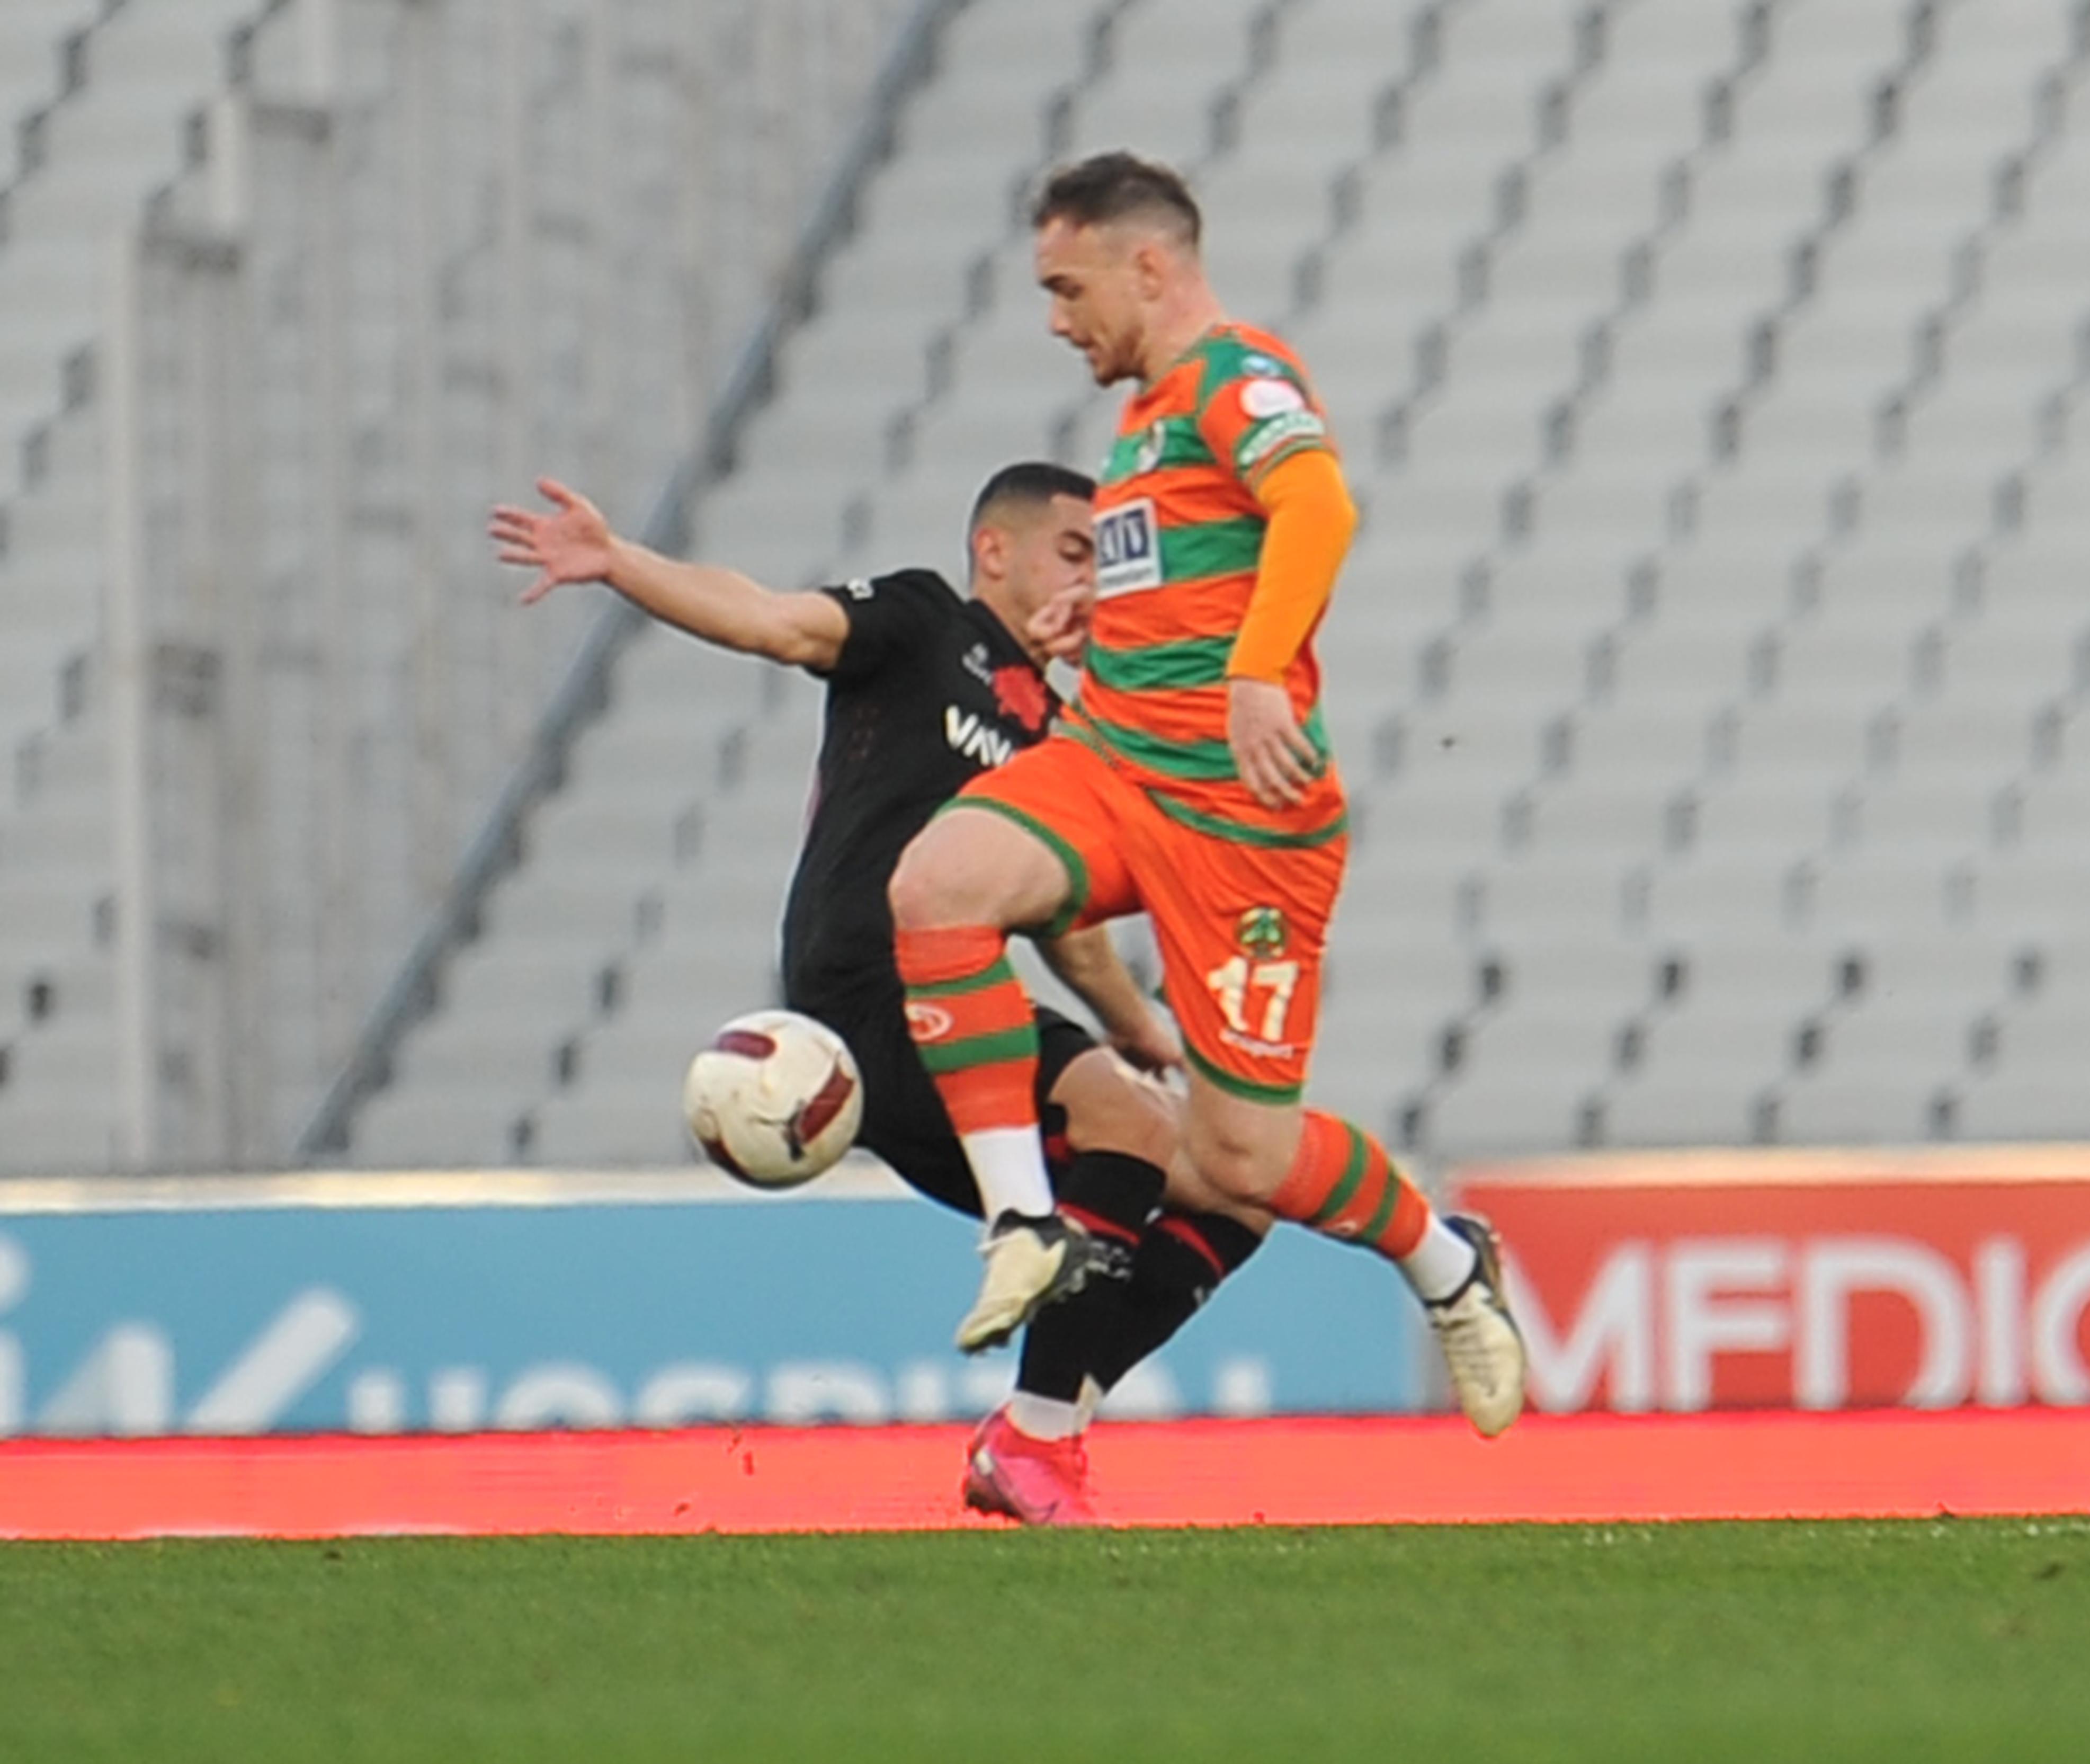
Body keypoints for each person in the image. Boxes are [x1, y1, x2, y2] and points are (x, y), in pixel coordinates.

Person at [490, 462, 1271, 1524]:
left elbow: (1068, 927)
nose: (1090, 580)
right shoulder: (921, 624)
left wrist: (1145, 1033)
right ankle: (1035, 1441)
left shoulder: (1054, 728)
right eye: (1073, 552)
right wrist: (618, 560)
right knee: (1125, 1127)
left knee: (1235, 1188)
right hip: (868, 992)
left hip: (968, 1014)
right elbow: (771, 621)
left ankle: (1040, 1433)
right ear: (994, 551)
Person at [888, 152, 1528, 1437]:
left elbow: (1315, 507)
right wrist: (1102, 616)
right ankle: (1022, 1223)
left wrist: (1252, 676)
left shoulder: (1238, 377)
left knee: (1241, 1159)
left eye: (1067, 287)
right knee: (936, 886)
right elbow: (1194, 564)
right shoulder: (1144, 424)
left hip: (1242, 819)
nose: (1056, 319)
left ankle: (1443, 1264)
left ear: (1148, 266)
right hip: (1116, 766)